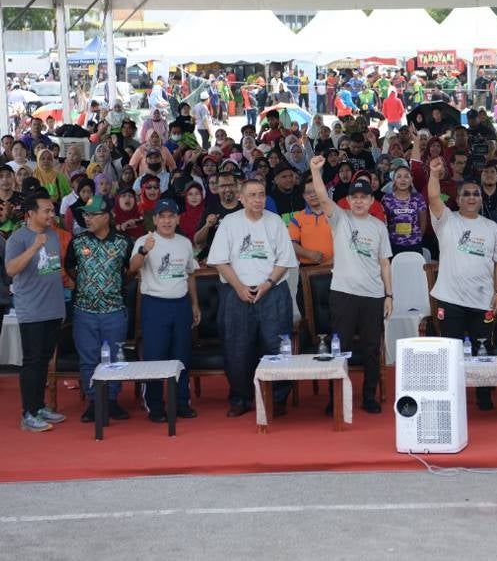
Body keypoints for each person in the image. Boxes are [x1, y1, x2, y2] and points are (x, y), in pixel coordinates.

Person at [206, 179, 298, 417]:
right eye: (253, 195)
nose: (258, 199)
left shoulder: (275, 221)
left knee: (276, 345)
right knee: (237, 348)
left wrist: (267, 285)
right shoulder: (229, 223)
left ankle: (277, 399)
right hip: (237, 293)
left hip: (272, 292)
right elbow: (219, 260)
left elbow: (285, 261)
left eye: (261, 194)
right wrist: (239, 287)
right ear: (242, 198)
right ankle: (240, 398)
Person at [308, 157, 392, 414]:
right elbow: (322, 197)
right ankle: (336, 397)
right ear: (348, 200)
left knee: (371, 348)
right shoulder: (340, 219)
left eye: (363, 197)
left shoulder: (379, 227)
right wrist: (315, 170)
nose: (358, 201)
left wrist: (389, 295)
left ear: (371, 201)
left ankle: (369, 396)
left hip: (373, 295)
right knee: (340, 347)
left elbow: (385, 263)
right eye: (354, 197)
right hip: (343, 293)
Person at [426, 155, 497, 411]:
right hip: (450, 300)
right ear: (458, 200)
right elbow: (433, 198)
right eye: (466, 194)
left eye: (476, 194)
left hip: (482, 299)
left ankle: (483, 394)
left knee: (484, 350)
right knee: (451, 351)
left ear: (481, 200)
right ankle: (452, 395)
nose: (472, 197)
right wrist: (434, 174)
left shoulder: (492, 227)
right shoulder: (446, 221)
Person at [128, 199, 200, 422]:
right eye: (163, 216)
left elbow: (190, 274)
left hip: (180, 305)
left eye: (171, 216)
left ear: (178, 219)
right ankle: (155, 404)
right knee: (155, 356)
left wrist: (194, 303)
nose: (167, 221)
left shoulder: (184, 242)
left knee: (182, 355)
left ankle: (181, 402)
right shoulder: (145, 240)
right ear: (155, 219)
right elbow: (132, 268)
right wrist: (143, 250)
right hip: (155, 304)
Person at [65, 195, 133, 423]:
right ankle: (94, 402)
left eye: (92, 214)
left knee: (114, 358)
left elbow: (129, 271)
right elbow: (71, 268)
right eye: (85, 214)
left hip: (114, 311)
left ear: (107, 216)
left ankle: (112, 400)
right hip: (85, 311)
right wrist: (90, 286)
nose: (87, 218)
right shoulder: (78, 241)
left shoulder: (124, 242)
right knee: (88, 359)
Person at [5, 193, 67, 432]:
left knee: (44, 360)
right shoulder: (18, 238)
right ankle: (28, 413)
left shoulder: (52, 235)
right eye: (47, 211)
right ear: (31, 213)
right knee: (31, 362)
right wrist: (33, 248)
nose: (52, 214)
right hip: (31, 310)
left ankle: (40, 406)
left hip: (53, 308)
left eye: (53, 210)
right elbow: (11, 269)